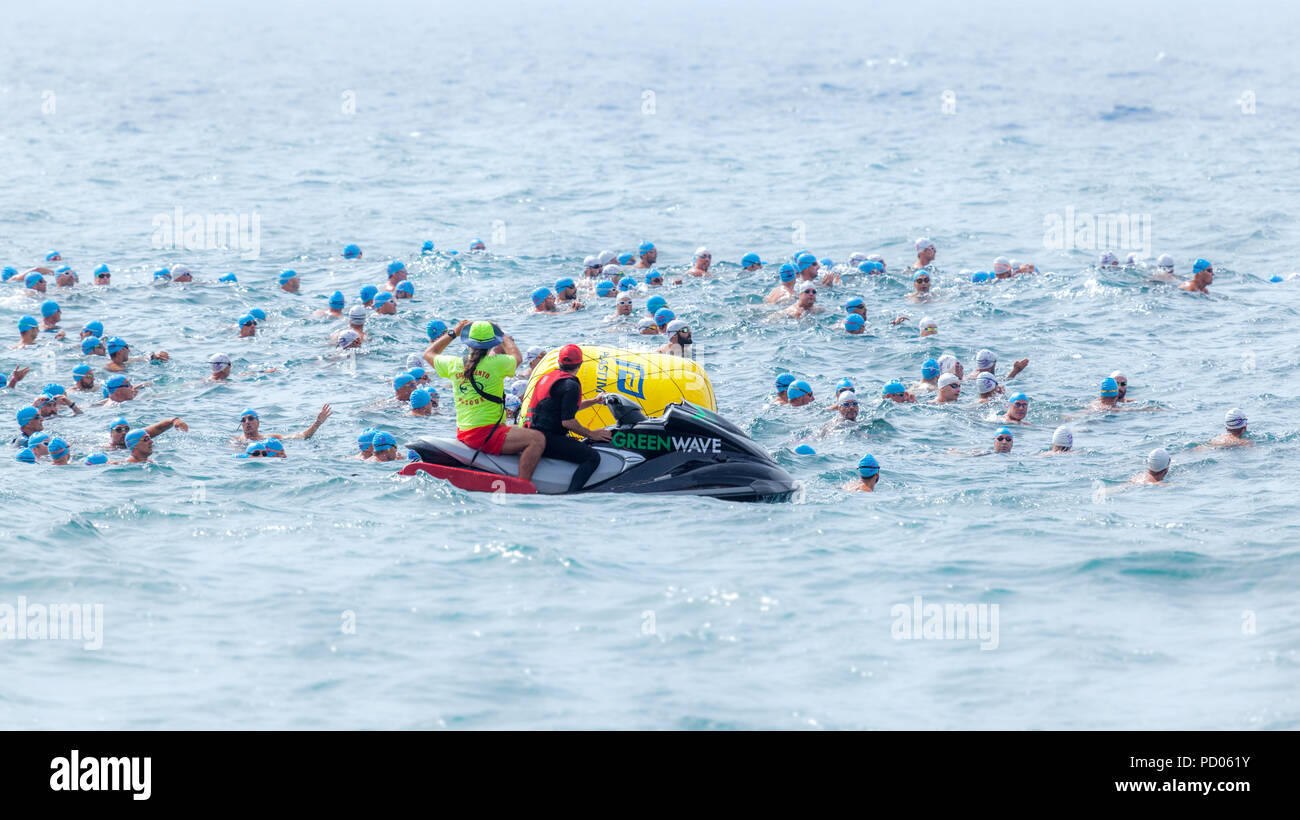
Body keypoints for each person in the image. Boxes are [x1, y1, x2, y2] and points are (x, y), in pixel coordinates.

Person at [423, 319, 544, 482]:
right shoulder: (497, 363)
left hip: (465, 432)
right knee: (537, 439)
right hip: (485, 433)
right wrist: (503, 335)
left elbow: (428, 353)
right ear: (492, 344)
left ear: (468, 343)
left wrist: (453, 332)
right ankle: (522, 483)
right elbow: (517, 357)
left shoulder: (454, 363)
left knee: (523, 426)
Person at [520, 344, 611, 492]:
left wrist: (594, 401)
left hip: (530, 433)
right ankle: (572, 494)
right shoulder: (571, 385)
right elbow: (567, 421)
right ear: (580, 364)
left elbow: (562, 407)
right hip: (546, 439)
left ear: (559, 362)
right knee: (593, 457)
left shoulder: (547, 377)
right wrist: (592, 433)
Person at [234, 405, 331, 443]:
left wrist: (317, 423)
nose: (247, 422)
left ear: (258, 422)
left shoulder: (270, 438)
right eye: (243, 420)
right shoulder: (236, 441)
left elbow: (302, 436)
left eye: (250, 418)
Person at [105, 337, 169, 371]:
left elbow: (140, 359)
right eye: (127, 347)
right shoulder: (117, 370)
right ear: (120, 351)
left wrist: (154, 356)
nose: (129, 351)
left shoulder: (119, 363)